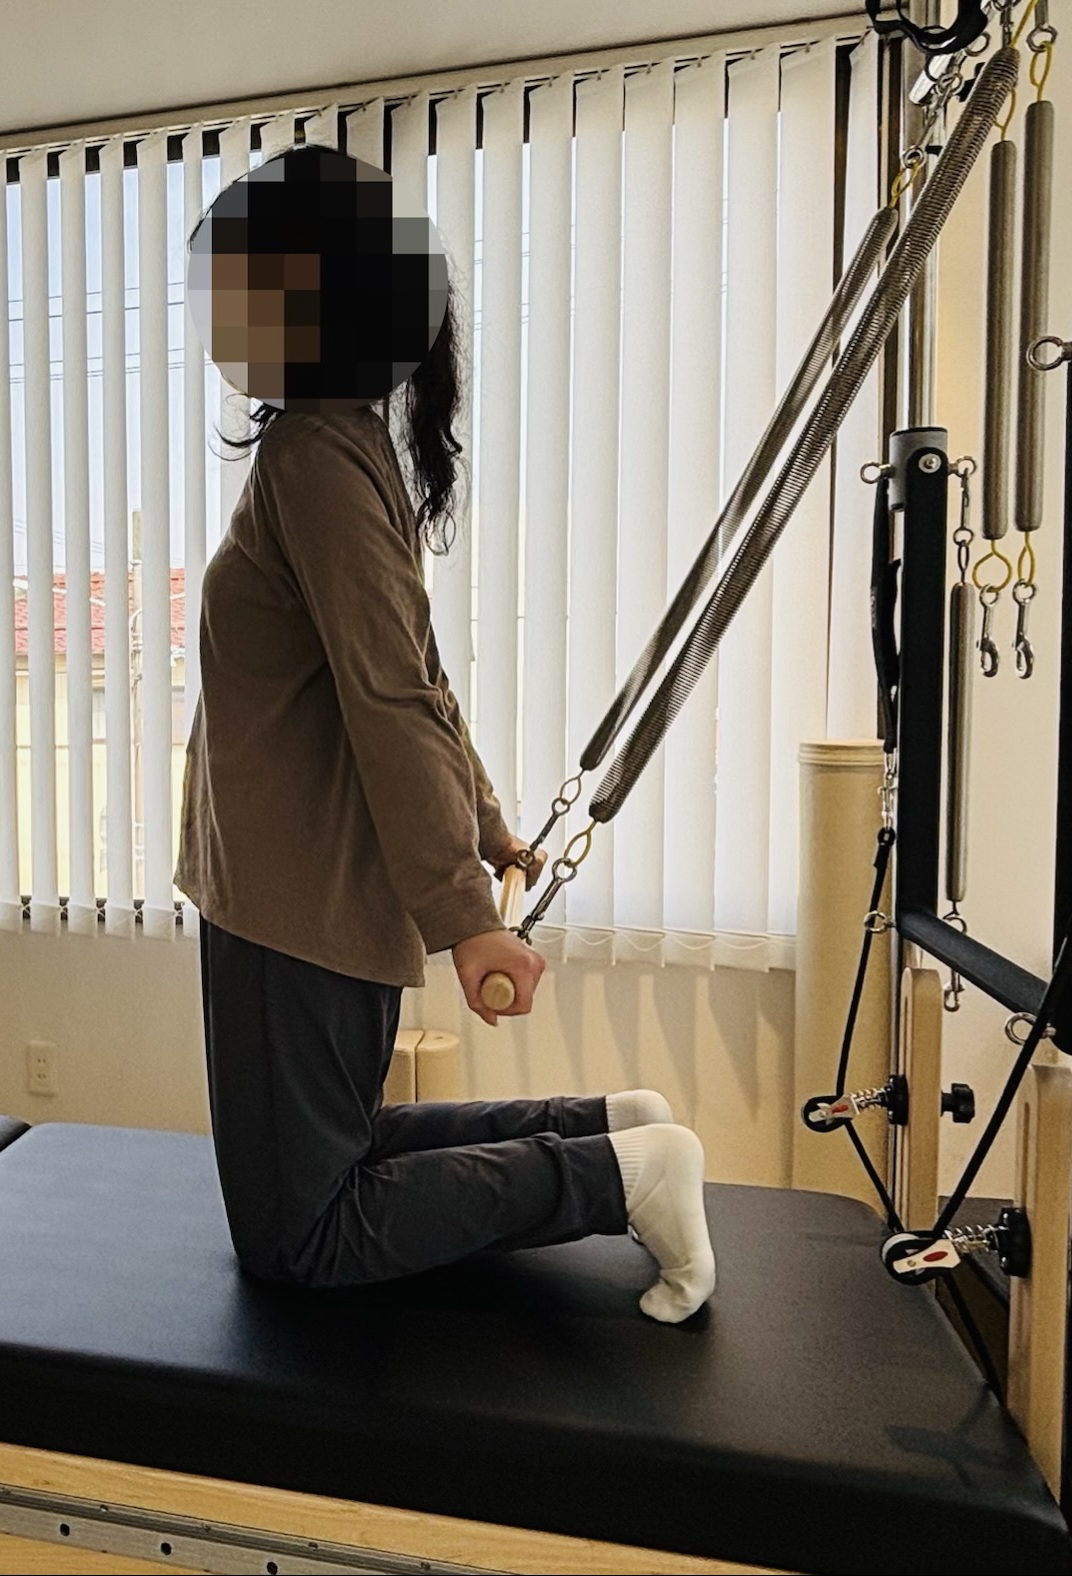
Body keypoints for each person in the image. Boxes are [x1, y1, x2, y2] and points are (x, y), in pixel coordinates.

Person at [177, 144, 715, 1322]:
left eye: (231, 288)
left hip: (290, 902)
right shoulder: (342, 445)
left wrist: (467, 916)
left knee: (302, 1231)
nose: (212, 316)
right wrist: (485, 830)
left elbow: (393, 695)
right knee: (347, 1152)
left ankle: (621, 1176)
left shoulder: (316, 456)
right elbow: (414, 676)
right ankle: (609, 1131)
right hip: (290, 896)